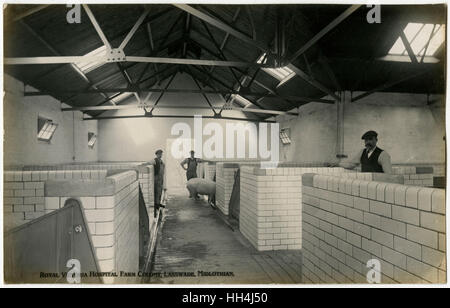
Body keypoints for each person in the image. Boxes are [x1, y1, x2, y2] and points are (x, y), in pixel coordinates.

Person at [150, 149, 166, 218]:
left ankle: (158, 203)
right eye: (159, 154)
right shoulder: (154, 160)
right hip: (156, 178)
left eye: (161, 154)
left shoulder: (161, 161)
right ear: (156, 154)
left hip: (161, 178)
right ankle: (156, 204)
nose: (160, 155)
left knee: (159, 191)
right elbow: (149, 164)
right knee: (156, 191)